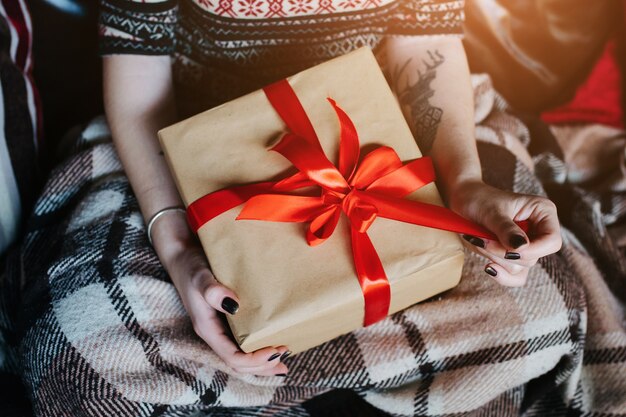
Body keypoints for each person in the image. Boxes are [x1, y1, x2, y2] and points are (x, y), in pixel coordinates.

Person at [100, 0, 562, 378]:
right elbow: (139, 68)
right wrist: (177, 246)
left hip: (384, 130)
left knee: (543, 321)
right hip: (186, 153)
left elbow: (427, 41)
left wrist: (463, 183)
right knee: (104, 366)